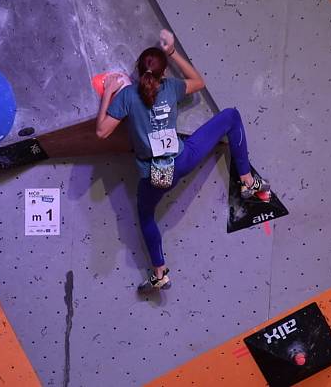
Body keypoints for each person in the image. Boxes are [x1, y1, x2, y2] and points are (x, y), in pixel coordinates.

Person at [95, 29, 270, 292]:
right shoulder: (171, 87)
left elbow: (101, 132)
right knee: (231, 116)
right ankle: (247, 180)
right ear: (163, 73)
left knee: (145, 217)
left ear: (138, 71)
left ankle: (159, 272)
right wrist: (172, 52)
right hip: (183, 158)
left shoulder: (128, 96)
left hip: (155, 176)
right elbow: (199, 82)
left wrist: (109, 91)